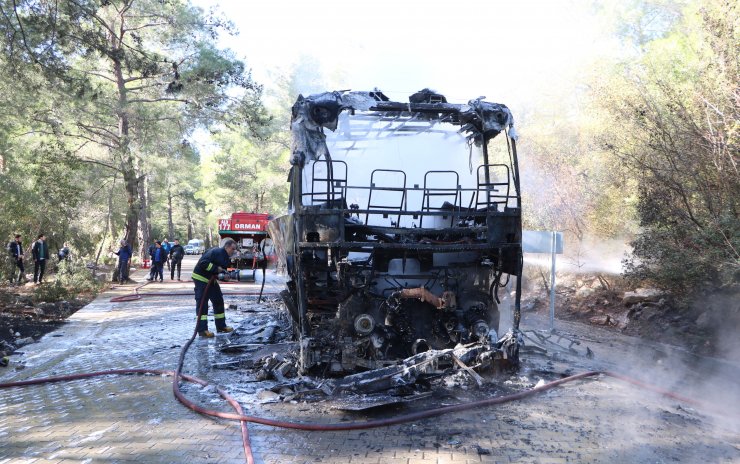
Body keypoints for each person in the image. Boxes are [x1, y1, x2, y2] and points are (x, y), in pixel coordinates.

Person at [192, 238, 236, 337]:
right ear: (227, 247)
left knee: (218, 300)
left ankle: (221, 326)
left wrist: (225, 277)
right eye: (233, 249)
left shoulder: (225, 258)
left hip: (211, 280)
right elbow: (203, 263)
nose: (234, 251)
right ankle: (202, 330)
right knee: (202, 304)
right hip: (201, 279)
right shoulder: (216, 252)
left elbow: (220, 272)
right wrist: (216, 269)